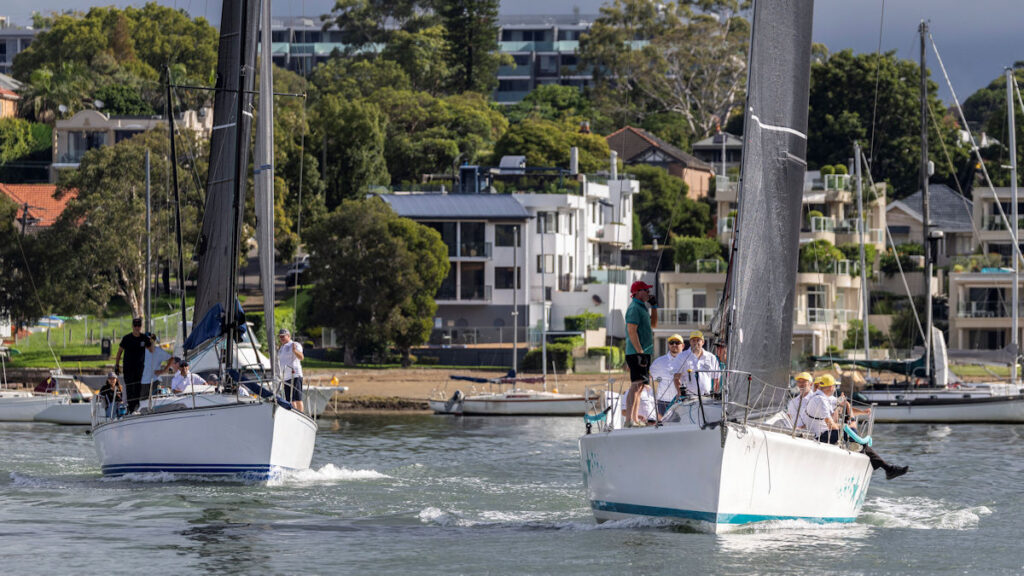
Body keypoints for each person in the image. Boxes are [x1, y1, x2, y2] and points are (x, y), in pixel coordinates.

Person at [806, 374, 909, 480]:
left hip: (825, 433)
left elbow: (843, 406)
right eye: (835, 386)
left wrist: (861, 412)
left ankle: (886, 467)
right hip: (821, 436)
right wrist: (847, 428)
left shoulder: (824, 398)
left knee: (857, 440)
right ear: (831, 387)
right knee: (854, 437)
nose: (835, 388)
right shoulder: (820, 400)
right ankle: (887, 468)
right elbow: (830, 425)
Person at [624, 280, 656, 426]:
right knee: (636, 385)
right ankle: (629, 419)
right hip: (637, 352)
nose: (648, 293)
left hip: (644, 353)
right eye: (646, 290)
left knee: (641, 386)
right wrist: (640, 352)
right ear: (637, 292)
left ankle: (635, 419)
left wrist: (654, 307)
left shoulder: (642, 307)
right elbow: (631, 330)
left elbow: (653, 325)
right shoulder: (634, 308)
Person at [115, 317, 151, 413]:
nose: (137, 327)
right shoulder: (126, 338)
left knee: (139, 388)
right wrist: (116, 365)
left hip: (140, 369)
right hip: (128, 369)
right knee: (130, 389)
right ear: (132, 326)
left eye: (139, 325)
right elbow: (119, 352)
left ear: (141, 326)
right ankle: (131, 410)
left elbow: (152, 351)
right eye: (135, 325)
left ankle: (137, 408)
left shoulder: (144, 338)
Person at [650, 334, 688, 415]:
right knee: (663, 426)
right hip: (663, 402)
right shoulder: (659, 362)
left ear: (683, 345)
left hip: (683, 400)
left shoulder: (688, 361)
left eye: (677, 343)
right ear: (668, 345)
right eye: (671, 342)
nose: (674, 345)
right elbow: (650, 378)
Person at [675, 331, 718, 396]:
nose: (695, 343)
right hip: (688, 398)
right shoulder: (681, 356)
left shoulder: (711, 357)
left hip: (707, 398)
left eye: (698, 340)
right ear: (690, 342)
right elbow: (676, 377)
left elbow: (716, 378)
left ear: (703, 342)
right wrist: (679, 392)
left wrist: (715, 395)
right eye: (693, 340)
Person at [278, 328, 305, 413]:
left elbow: (301, 357)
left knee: (297, 398)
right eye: (280, 337)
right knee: (290, 400)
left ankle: (300, 414)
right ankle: (294, 414)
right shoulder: (281, 348)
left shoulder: (295, 344)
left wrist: (294, 350)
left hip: (295, 375)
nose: (281, 338)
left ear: (288, 336)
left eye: (283, 336)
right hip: (285, 377)